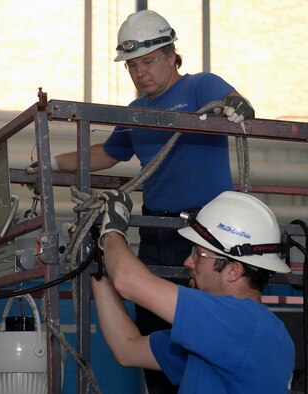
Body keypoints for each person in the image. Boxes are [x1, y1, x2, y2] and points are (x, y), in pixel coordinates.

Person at [51, 10, 255, 392]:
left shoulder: (199, 87)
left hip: (205, 233)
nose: (140, 72)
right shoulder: (133, 113)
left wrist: (237, 105)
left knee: (199, 327)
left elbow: (230, 101)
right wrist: (47, 162)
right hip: (155, 229)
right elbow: (108, 154)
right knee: (154, 325)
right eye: (132, 66)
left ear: (171, 55)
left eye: (148, 61)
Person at [92, 189, 294, 393]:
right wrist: (98, 262)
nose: (188, 262)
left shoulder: (241, 323)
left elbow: (128, 281)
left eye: (199, 254)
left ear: (233, 270)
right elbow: (128, 349)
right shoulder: (224, 334)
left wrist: (112, 230)